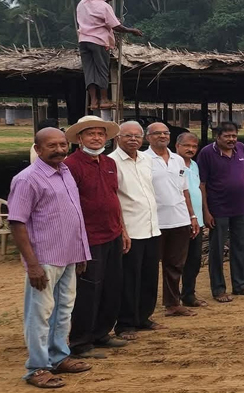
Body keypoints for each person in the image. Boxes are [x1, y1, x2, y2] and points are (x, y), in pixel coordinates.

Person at [9, 128, 92, 388]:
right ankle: (37, 368)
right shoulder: (28, 179)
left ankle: (58, 357)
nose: (59, 149)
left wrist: (82, 251)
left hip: (69, 255)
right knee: (40, 314)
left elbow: (75, 215)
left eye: (62, 144)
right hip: (44, 258)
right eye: (51, 145)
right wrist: (31, 264)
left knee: (64, 310)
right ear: (38, 148)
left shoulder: (65, 172)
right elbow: (17, 222)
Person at [63, 116, 127, 358]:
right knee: (88, 291)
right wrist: (77, 239)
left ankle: (102, 333)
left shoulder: (109, 163)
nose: (96, 138)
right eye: (90, 134)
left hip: (112, 233)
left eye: (100, 134)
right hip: (89, 238)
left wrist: (123, 230)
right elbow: (70, 205)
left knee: (112, 287)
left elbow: (113, 198)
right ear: (80, 138)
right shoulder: (72, 165)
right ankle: (80, 342)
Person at [110, 122, 162, 342]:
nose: (133, 139)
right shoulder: (112, 162)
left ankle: (144, 317)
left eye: (137, 136)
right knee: (129, 278)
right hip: (130, 229)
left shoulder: (146, 160)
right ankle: (125, 323)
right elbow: (113, 198)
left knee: (149, 275)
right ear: (118, 138)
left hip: (151, 226)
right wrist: (122, 229)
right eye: (128, 135)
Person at [144, 122, 199, 317]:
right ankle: (144, 310)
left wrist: (192, 215)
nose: (161, 136)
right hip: (154, 221)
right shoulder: (143, 159)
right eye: (156, 133)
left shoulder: (177, 160)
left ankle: (173, 303)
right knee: (150, 266)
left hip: (179, 218)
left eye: (165, 133)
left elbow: (184, 190)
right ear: (148, 137)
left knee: (175, 264)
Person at [198, 121, 244, 303]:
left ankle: (240, 285)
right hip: (218, 209)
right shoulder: (207, 153)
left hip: (240, 207)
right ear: (218, 137)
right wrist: (206, 212)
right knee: (217, 250)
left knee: (241, 246)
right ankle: (219, 289)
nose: (232, 139)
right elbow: (202, 184)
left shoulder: (240, 148)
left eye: (234, 136)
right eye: (227, 136)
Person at [76, 0, 142, 110]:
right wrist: (131, 30)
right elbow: (116, 26)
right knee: (102, 70)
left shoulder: (83, 3)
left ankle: (94, 101)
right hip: (98, 41)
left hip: (83, 40)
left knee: (89, 71)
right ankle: (105, 99)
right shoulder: (104, 6)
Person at [175, 133, 208, 308]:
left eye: (194, 147)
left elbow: (198, 190)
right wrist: (190, 215)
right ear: (177, 146)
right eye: (187, 146)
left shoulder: (194, 165)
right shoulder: (173, 163)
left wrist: (203, 214)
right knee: (177, 261)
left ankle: (188, 294)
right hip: (180, 220)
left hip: (198, 221)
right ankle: (173, 299)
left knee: (194, 260)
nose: (191, 149)